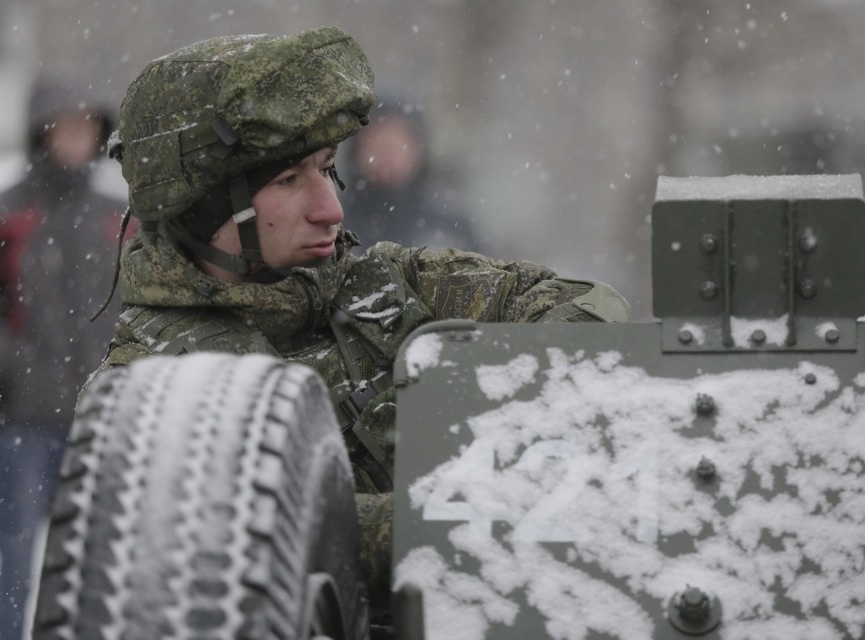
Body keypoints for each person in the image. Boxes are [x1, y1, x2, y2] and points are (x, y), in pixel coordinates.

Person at [90, 26, 628, 630]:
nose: (331, 208)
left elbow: (587, 309)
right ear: (206, 206)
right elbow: (238, 539)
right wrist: (474, 515)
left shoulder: (381, 282)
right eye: (289, 181)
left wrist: (502, 427)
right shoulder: (149, 384)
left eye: (326, 170)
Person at [0, 75, 129, 639]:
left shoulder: (119, 216)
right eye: (66, 125)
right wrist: (11, 366)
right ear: (41, 131)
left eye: (87, 126)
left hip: (104, 422)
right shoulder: (9, 213)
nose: (78, 137)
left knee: (101, 561)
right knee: (13, 554)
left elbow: (141, 305)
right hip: (22, 420)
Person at [340, 87, 482, 252]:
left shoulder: (450, 224)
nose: (388, 154)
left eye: (398, 143)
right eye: (378, 142)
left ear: (419, 149)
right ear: (357, 149)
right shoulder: (334, 221)